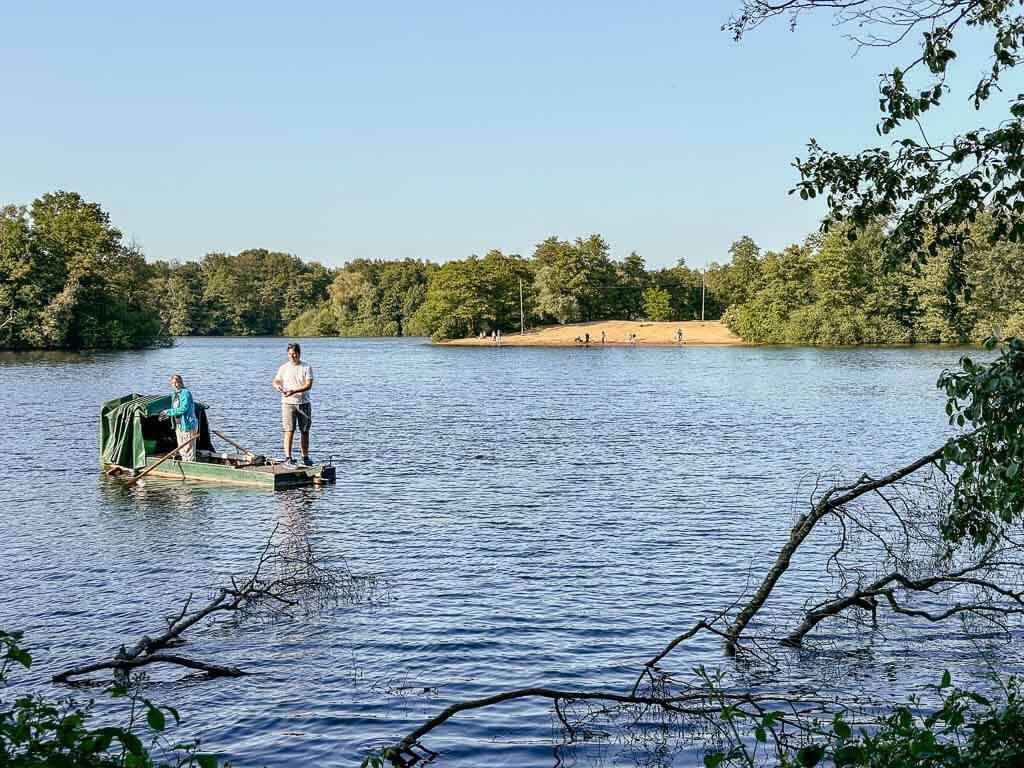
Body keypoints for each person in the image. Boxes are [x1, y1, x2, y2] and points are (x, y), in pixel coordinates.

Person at [273, 342, 314, 465]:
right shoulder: (283, 367)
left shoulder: (306, 367)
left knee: (305, 431)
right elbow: (275, 381)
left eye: (295, 354)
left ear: (299, 354)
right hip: (287, 403)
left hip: (304, 403)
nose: (292, 356)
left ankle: (305, 457)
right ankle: (288, 457)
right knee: (289, 430)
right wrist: (279, 388)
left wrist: (294, 391)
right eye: (290, 354)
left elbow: (308, 385)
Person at [160, 374, 199, 462]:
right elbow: (175, 409)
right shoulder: (174, 394)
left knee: (188, 448)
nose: (175, 384)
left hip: (187, 424)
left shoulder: (186, 393)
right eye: (173, 383)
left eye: (177, 382)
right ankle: (185, 464)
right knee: (182, 448)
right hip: (179, 425)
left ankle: (190, 465)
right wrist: (165, 415)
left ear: (181, 382)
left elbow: (183, 409)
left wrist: (168, 412)